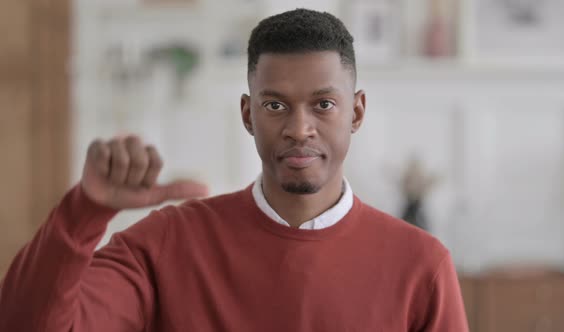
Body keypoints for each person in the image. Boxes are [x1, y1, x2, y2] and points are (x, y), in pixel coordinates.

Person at [0, 8, 469, 332]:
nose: (299, 128)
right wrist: (83, 213)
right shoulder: (167, 242)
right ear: (248, 114)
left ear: (357, 112)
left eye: (323, 104)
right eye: (275, 105)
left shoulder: (421, 265)